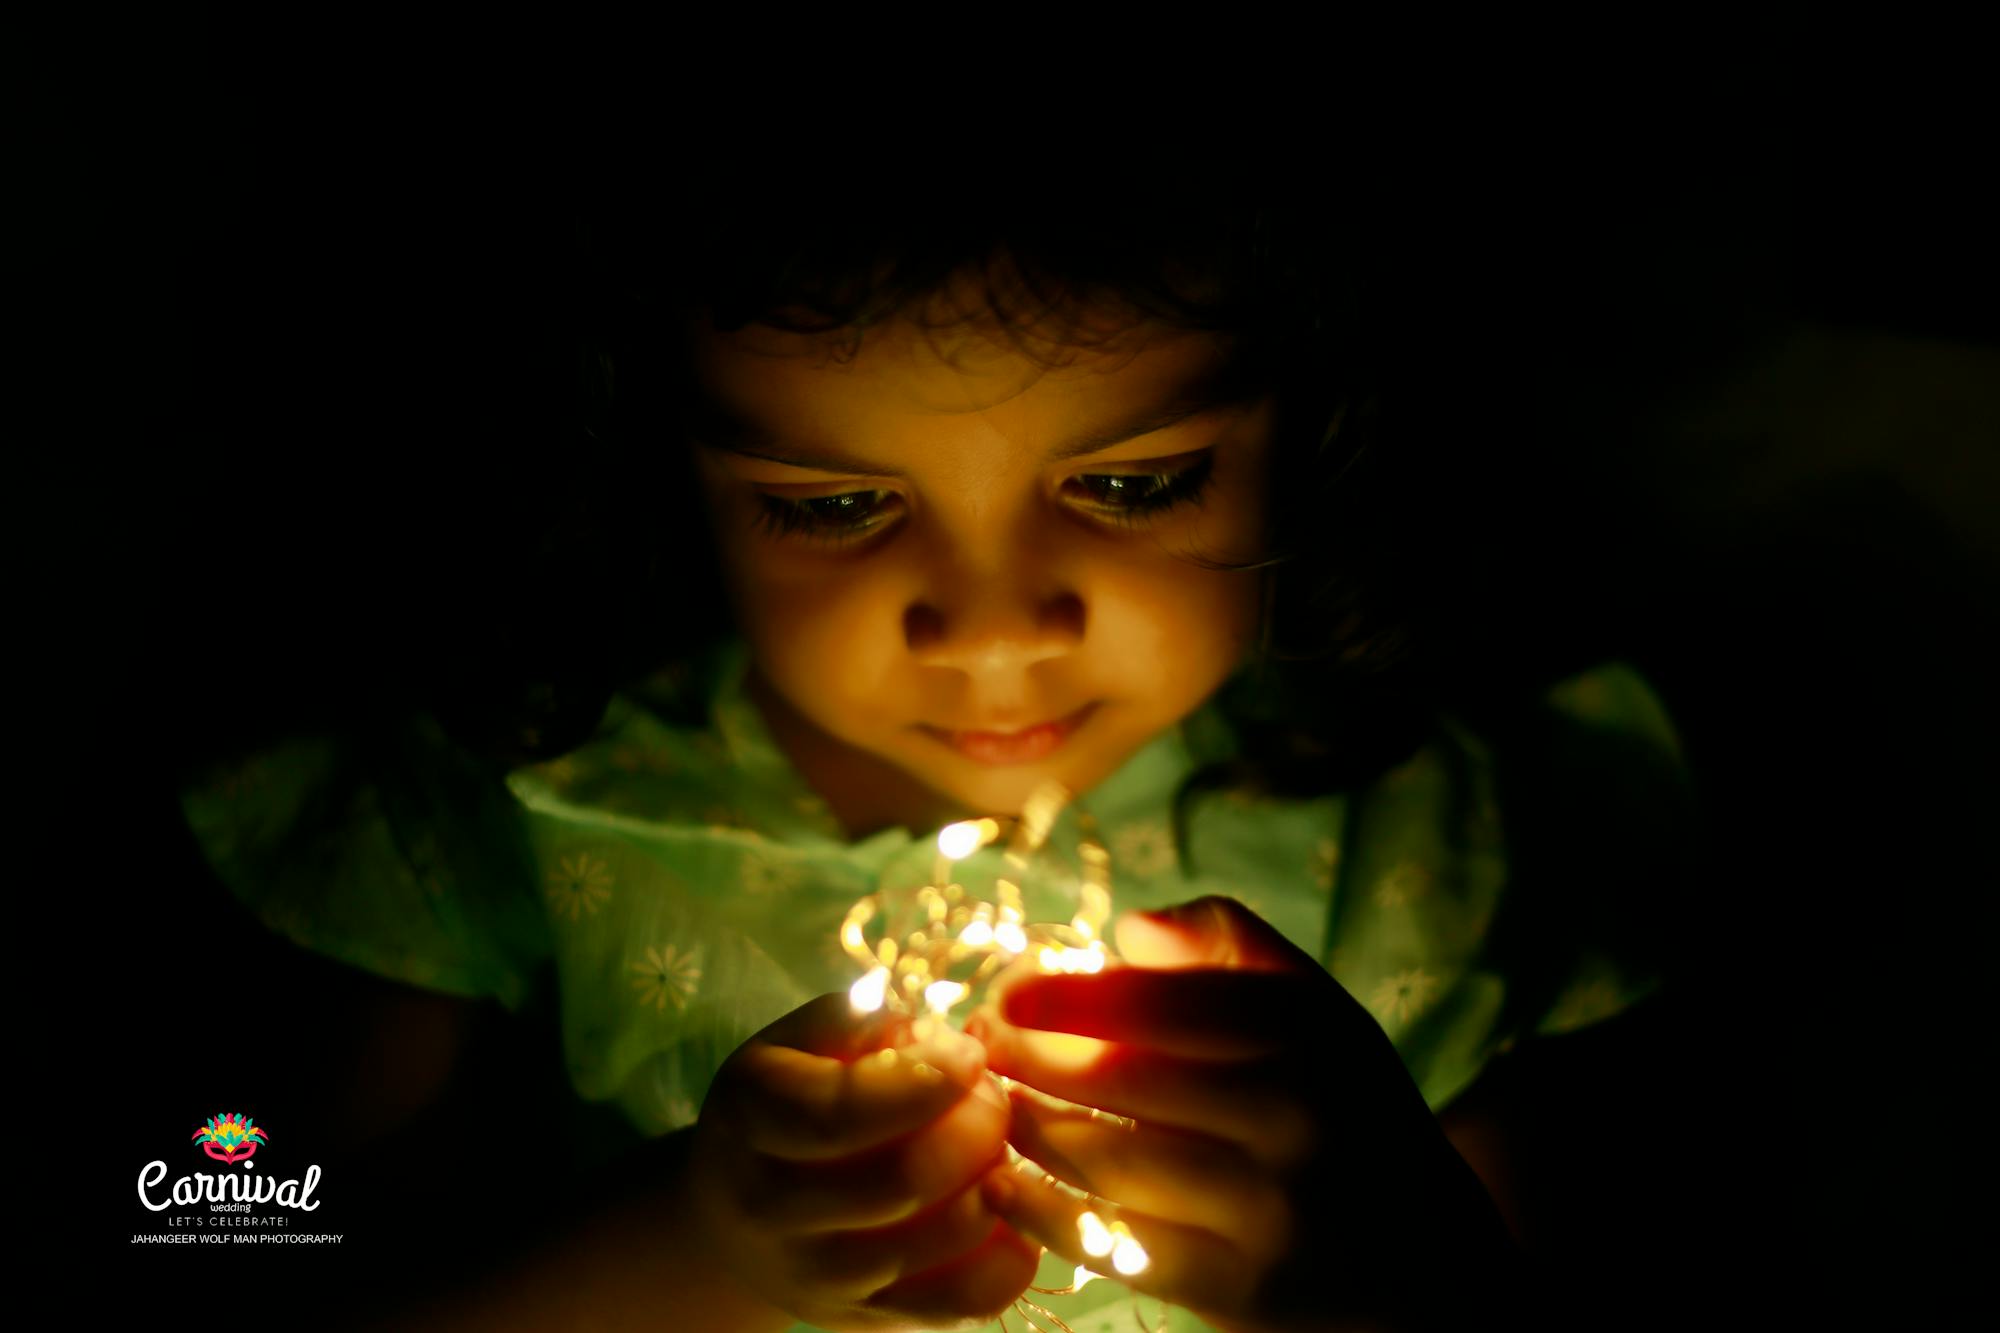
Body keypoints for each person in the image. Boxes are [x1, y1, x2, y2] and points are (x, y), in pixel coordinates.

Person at [174, 162, 1697, 1331]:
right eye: (836, 505)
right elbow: (216, 1230)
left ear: (1311, 434)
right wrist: (699, 1234)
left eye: (1139, 483)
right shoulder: (507, 795)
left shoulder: (1424, 848)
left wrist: (1397, 1276)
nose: (989, 630)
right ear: (670, 472)